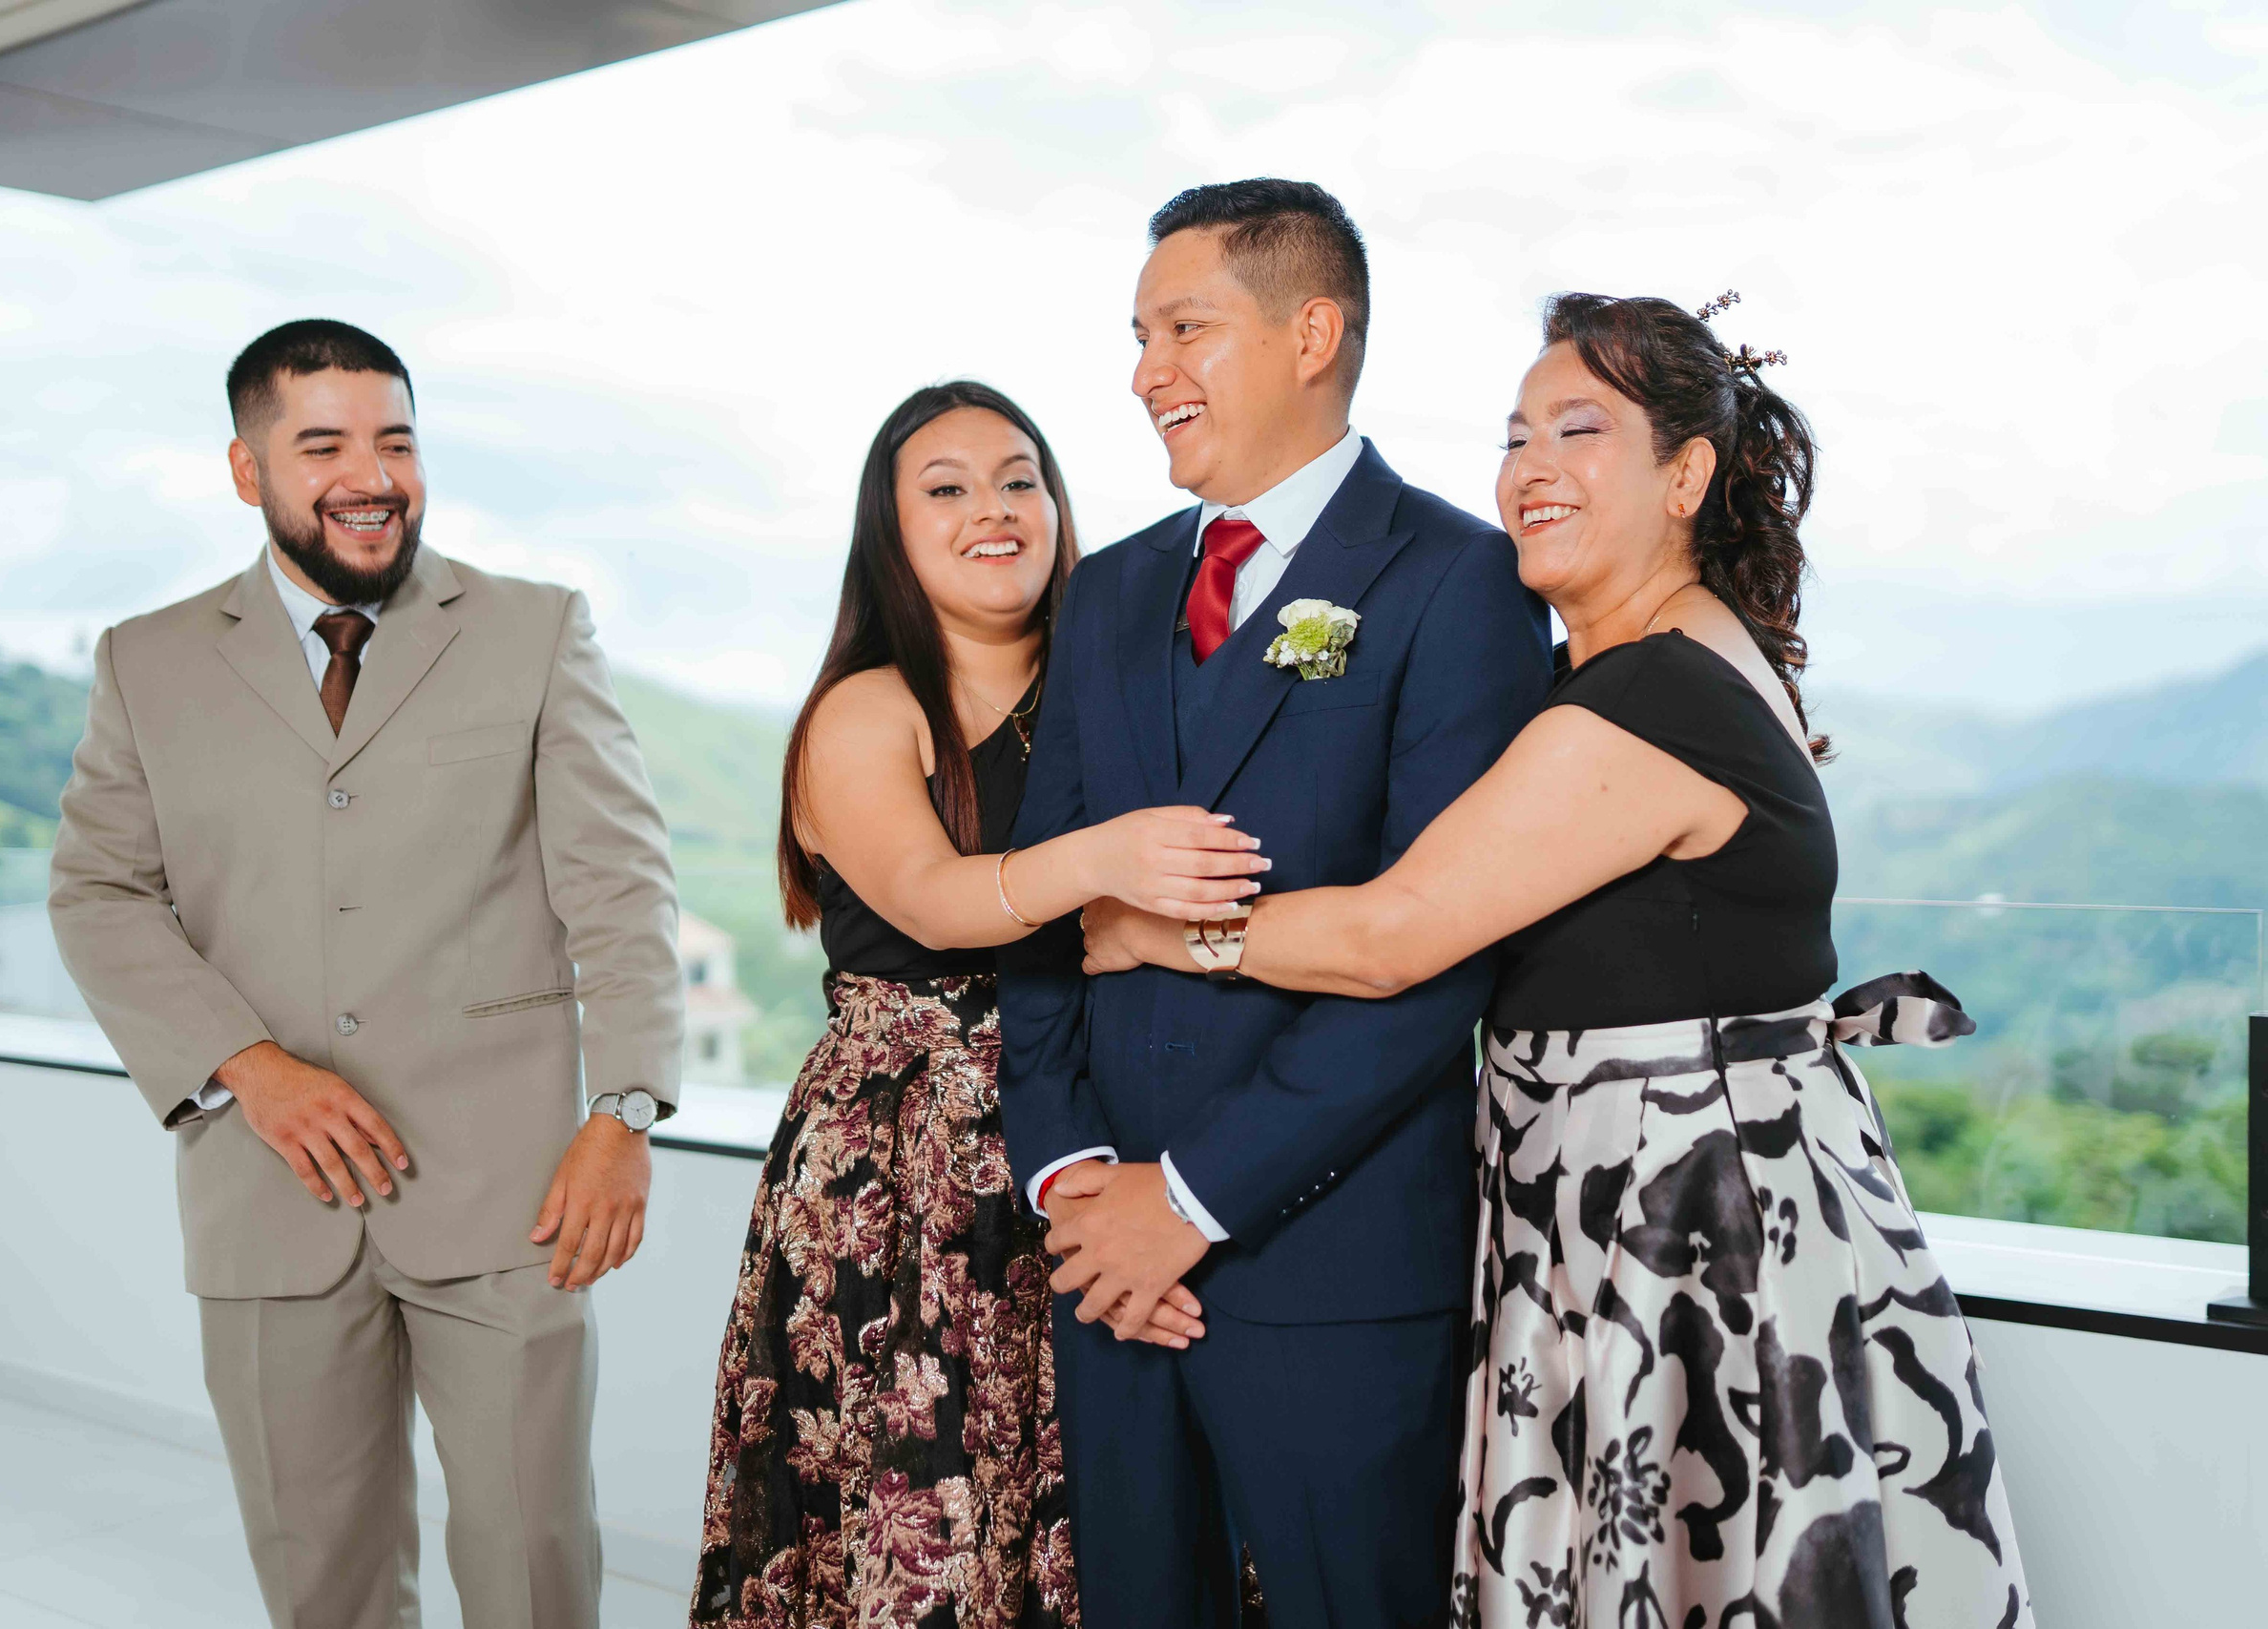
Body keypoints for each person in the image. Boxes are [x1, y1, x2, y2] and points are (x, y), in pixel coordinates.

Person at [1081, 292, 2034, 1627]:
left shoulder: (1648, 698)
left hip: (1680, 1230)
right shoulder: (1666, 663)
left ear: (1687, 475)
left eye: (1579, 432)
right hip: (1667, 1204)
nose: (1531, 469)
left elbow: (1392, 934)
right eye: (1515, 437)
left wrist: (1145, 925)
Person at [50, 319, 682, 1629]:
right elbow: (100, 894)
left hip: (509, 1194)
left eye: (395, 439)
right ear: (247, 468)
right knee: (320, 1582)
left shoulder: (535, 630)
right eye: (323, 443)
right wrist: (249, 1069)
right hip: (264, 1189)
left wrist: (624, 1111)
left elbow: (619, 891)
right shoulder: (146, 661)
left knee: (535, 1567)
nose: (371, 474)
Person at [997, 180, 1553, 1627]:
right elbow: (1053, 910)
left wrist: (1187, 1201)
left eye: (1183, 328)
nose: (1143, 373)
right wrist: (1075, 1183)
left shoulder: (1460, 583)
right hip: (1106, 1264)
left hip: (1329, 1268)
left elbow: (1442, 959)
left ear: (1313, 332)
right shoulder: (1106, 594)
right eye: (1137, 335)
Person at [691, 381, 1266, 1627]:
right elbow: (941, 900)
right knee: (934, 1512)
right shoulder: (866, 708)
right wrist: (1116, 870)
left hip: (1107, 1131)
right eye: (944, 488)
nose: (993, 509)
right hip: (909, 1176)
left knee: (1122, 1520)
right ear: (888, 530)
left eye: (1020, 479)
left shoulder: (1122, 685)